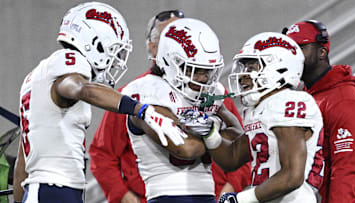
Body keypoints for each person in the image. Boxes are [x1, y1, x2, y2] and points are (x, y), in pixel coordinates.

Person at [13, 2, 186, 203]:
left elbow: (23, 163)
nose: (115, 60)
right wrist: (141, 110)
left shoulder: (35, 77)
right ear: (94, 42)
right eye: (114, 50)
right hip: (55, 190)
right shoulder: (69, 61)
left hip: (39, 190)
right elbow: (79, 88)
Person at [90, 11, 251, 203]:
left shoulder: (213, 89)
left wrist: (208, 133)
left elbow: (241, 147)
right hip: (165, 195)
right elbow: (186, 148)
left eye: (208, 71)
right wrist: (215, 135)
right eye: (194, 70)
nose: (202, 78)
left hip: (209, 196)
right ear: (169, 59)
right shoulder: (144, 92)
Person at [181, 32, 325, 203]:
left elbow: (292, 176)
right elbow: (232, 157)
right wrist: (209, 132)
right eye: (244, 68)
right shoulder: (260, 107)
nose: (243, 75)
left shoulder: (287, 101)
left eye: (251, 67)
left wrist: (240, 199)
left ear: (278, 67)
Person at [90, 9, 185, 203]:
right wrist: (123, 196)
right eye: (169, 40)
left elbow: (236, 147)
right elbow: (102, 154)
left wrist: (230, 186)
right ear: (152, 47)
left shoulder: (215, 95)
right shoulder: (130, 95)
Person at [284, 20, 355, 203]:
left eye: (300, 47)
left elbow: (348, 169)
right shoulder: (304, 97)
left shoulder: (344, 99)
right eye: (289, 49)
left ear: (322, 52)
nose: (292, 55)